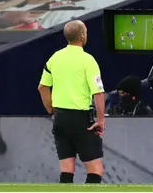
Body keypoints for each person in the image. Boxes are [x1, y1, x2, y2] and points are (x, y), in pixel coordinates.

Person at [38, 20, 105, 184]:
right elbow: (98, 92)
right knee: (95, 169)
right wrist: (101, 120)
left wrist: (52, 111)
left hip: (60, 118)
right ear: (82, 36)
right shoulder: (88, 60)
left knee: (67, 168)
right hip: (80, 119)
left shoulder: (55, 58)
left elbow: (42, 87)